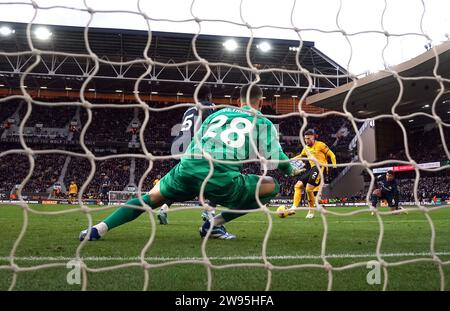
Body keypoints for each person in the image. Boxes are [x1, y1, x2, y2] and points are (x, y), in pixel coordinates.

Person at [79, 84, 303, 241]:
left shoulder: (219, 113)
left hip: (187, 168)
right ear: (261, 102)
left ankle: (99, 228)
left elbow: (198, 141)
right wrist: (291, 169)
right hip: (221, 180)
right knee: (270, 186)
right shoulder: (262, 122)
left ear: (238, 101)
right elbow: (277, 159)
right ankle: (213, 225)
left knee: (152, 197)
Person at [290, 129, 337, 219]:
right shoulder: (306, 148)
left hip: (320, 168)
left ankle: (311, 211)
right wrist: (291, 159)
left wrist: (334, 167)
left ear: (313, 137)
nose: (306, 140)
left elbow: (332, 154)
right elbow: (301, 156)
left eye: (308, 138)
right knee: (298, 186)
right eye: (305, 139)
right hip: (312, 169)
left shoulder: (321, 145)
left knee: (308, 189)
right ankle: (293, 208)